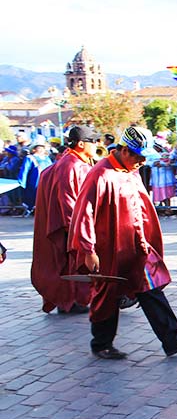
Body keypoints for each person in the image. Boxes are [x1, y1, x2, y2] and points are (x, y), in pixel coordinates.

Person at [69, 126, 177, 359]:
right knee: (106, 294)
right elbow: (84, 213)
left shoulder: (131, 171)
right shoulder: (101, 174)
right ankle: (101, 344)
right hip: (109, 249)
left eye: (143, 157)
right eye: (138, 156)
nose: (141, 162)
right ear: (123, 151)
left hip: (136, 246)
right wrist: (88, 250)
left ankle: (171, 338)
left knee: (150, 287)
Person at [31, 125, 100, 314]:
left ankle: (77, 299)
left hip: (79, 224)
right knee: (72, 262)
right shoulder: (70, 165)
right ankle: (73, 300)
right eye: (92, 141)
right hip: (71, 225)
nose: (96, 145)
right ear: (80, 144)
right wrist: (79, 231)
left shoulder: (77, 162)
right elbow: (69, 202)